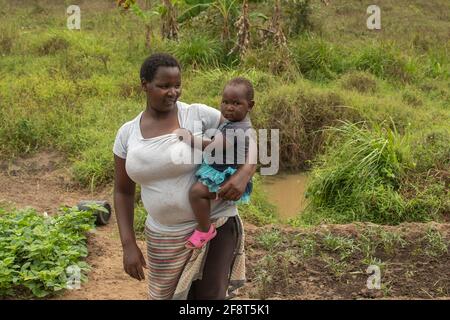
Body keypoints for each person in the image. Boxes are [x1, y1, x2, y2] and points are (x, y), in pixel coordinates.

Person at [113, 53, 256, 300]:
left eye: (177, 85)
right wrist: (128, 244)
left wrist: (245, 173)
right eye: (164, 86)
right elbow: (123, 191)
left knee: (209, 299)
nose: (173, 92)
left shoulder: (197, 115)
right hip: (163, 237)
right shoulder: (127, 134)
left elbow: (247, 133)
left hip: (215, 223)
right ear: (144, 85)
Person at [179, 77, 255, 249]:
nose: (229, 107)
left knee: (197, 192)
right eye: (225, 102)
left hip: (224, 174)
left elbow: (214, 147)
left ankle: (205, 229)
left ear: (250, 106)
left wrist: (189, 138)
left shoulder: (238, 127)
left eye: (236, 103)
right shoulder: (234, 122)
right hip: (222, 167)